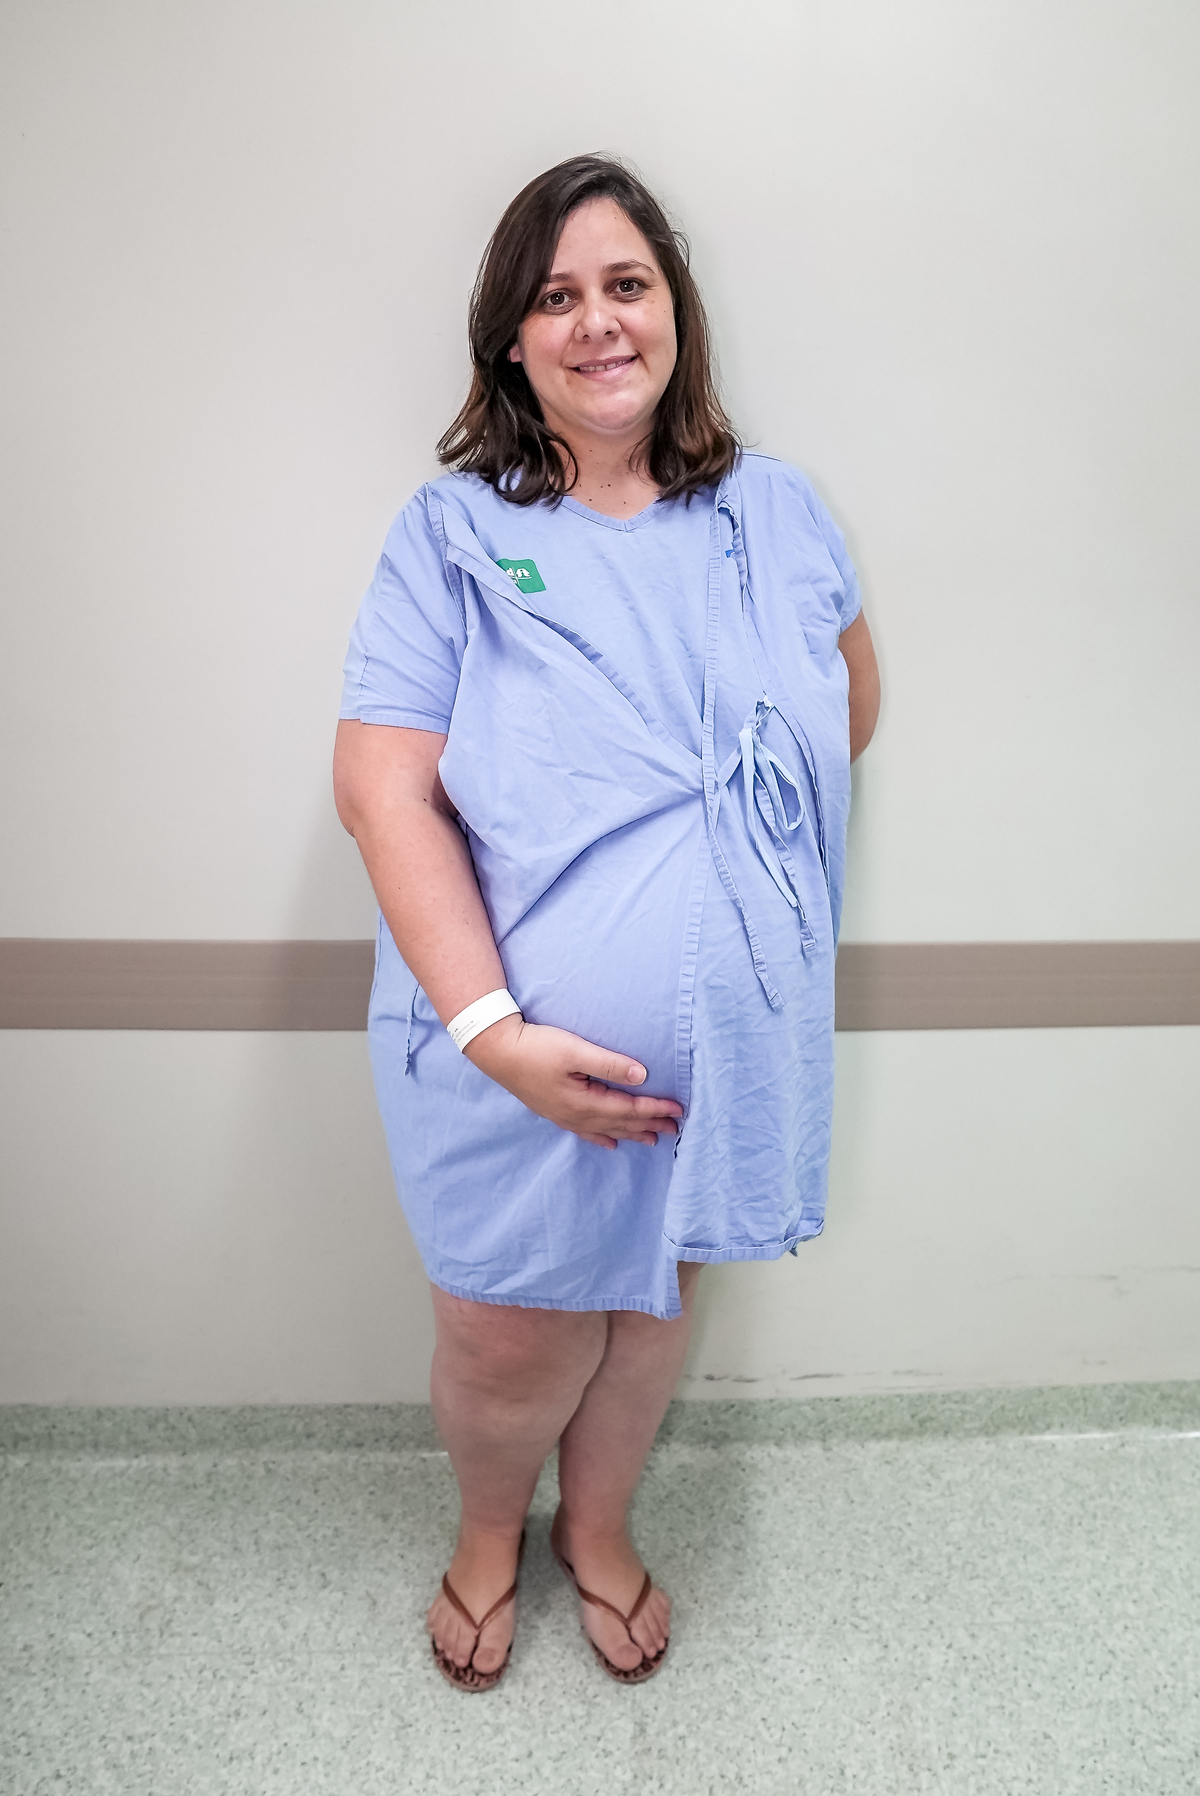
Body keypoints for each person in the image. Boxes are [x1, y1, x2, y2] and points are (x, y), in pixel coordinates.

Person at [332, 153, 880, 1692]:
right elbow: (382, 792)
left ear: (674, 309)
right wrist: (496, 1033)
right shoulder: (449, 534)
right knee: (510, 1342)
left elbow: (845, 710)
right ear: (511, 341)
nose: (597, 321)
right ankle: (488, 1535)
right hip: (506, 1059)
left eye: (625, 284)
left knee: (651, 1319)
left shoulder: (778, 513)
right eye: (556, 296)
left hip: (724, 1057)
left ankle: (600, 1523)